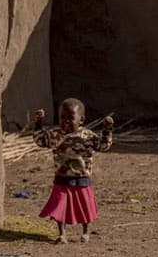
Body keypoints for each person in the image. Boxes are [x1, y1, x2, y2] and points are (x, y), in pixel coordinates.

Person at [28, 99, 113, 244]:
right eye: (63, 117)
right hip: (62, 178)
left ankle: (85, 232)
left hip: (82, 179)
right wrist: (39, 122)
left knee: (84, 207)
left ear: (81, 120)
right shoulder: (55, 134)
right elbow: (39, 140)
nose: (66, 121)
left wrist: (107, 130)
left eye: (70, 118)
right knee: (60, 207)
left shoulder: (88, 136)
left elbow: (103, 146)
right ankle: (62, 234)